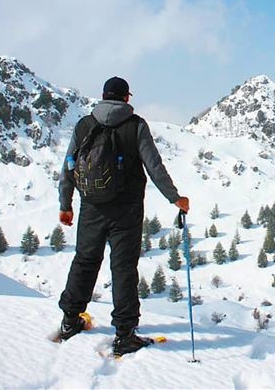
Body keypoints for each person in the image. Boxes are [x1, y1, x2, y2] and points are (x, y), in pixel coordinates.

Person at [56, 76, 189, 356]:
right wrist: (175, 198)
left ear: (104, 96)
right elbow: (154, 166)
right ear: (127, 98)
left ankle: (70, 320)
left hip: (91, 207)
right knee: (124, 268)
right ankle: (125, 334)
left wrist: (65, 204)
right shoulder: (136, 125)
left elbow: (69, 166)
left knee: (85, 260)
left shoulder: (84, 125)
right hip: (126, 210)